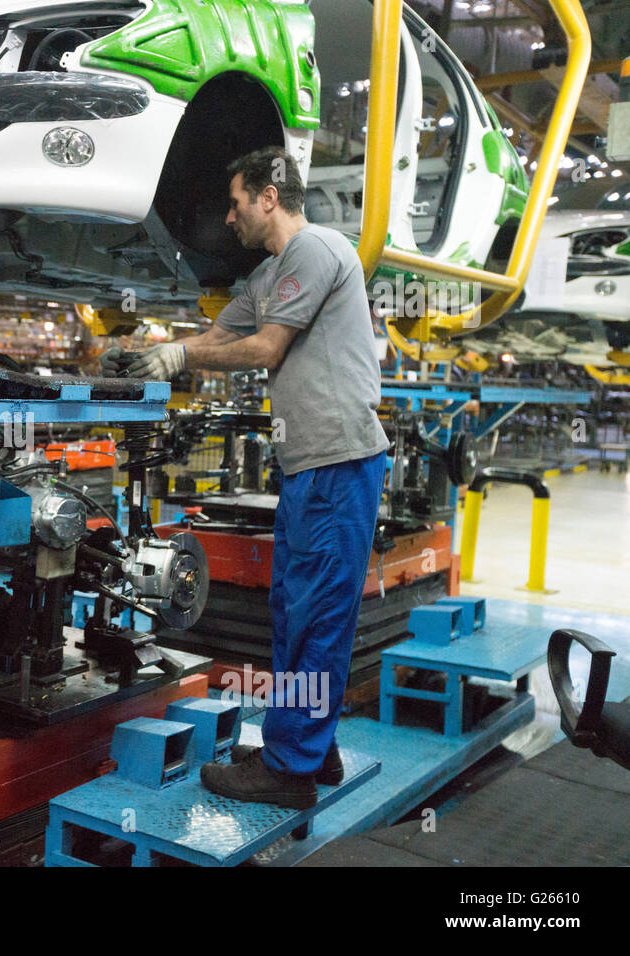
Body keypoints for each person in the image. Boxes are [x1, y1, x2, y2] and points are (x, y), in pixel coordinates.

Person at [101, 147, 389, 809]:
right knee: (294, 613)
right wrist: (151, 352)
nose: (228, 218)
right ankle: (314, 746)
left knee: (318, 614)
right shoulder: (270, 276)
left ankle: (288, 769)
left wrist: (181, 355)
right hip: (309, 468)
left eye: (235, 203)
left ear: (268, 197)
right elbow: (219, 332)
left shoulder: (317, 249)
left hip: (340, 465)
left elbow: (263, 348)